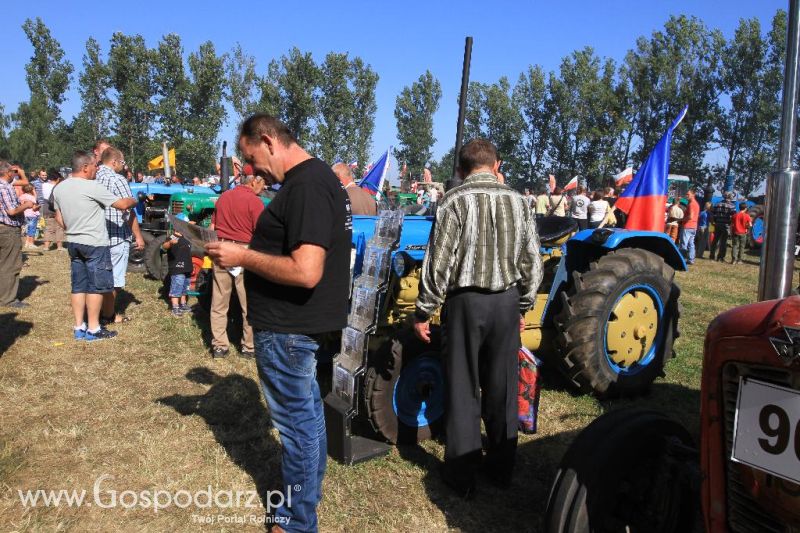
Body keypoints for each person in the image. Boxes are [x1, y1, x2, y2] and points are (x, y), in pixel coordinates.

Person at [205, 113, 352, 532]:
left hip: (287, 328)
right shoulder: (315, 180)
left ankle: (295, 521)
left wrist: (241, 255)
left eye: (252, 158)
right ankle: (304, 504)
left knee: (297, 427)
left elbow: (306, 271)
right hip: (295, 326)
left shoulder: (305, 185)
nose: (252, 170)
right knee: (306, 419)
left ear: (269, 140)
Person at [413, 139, 543, 498]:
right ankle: (501, 470)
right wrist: (522, 305)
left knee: (462, 387)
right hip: (506, 302)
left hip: (465, 303)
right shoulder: (520, 202)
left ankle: (461, 476)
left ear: (460, 168)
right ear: (496, 165)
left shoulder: (452, 202)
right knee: (502, 388)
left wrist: (423, 310)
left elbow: (438, 263)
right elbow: (533, 260)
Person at [53, 150, 137, 341]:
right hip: (95, 243)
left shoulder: (60, 188)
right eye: (93, 166)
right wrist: (135, 199)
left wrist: (74, 228)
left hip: (73, 242)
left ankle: (78, 326)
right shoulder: (92, 187)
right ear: (84, 167)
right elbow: (123, 205)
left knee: (78, 286)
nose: (96, 169)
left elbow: (58, 217)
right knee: (96, 287)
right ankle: (93, 328)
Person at [207, 174, 267, 358]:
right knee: (248, 301)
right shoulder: (255, 202)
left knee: (219, 300)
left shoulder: (224, 197)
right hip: (243, 251)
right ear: (253, 181)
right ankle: (248, 347)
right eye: (262, 183)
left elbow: (212, 226)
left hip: (222, 248)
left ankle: (219, 346)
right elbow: (261, 234)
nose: (263, 187)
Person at [95, 146, 145, 324]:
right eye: (122, 163)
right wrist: (138, 236)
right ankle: (107, 315)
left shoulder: (92, 177)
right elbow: (129, 210)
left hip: (96, 235)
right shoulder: (118, 180)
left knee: (98, 275)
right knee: (114, 278)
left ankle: (94, 312)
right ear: (114, 162)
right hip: (116, 235)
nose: (124, 167)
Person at [0, 160, 38, 308]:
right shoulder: (5, 187)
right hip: (8, 230)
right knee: (11, 265)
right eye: (12, 171)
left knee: (3, 263)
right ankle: (8, 299)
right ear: (8, 173)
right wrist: (27, 205)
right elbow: (12, 211)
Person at [161, 230, 193, 316]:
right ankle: (175, 307)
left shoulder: (187, 237)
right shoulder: (173, 236)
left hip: (187, 267)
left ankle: (183, 304)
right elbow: (164, 247)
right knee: (177, 286)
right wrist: (170, 243)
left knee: (184, 287)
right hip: (177, 267)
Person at [41, 169, 65, 252]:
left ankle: (46, 247)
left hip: (46, 208)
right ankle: (59, 247)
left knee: (48, 228)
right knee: (59, 227)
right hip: (56, 208)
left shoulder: (44, 185)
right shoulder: (58, 187)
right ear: (58, 178)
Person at [710, 192, 736, 262]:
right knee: (723, 242)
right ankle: (720, 257)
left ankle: (712, 256)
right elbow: (733, 216)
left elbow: (712, 214)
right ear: (730, 197)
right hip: (726, 225)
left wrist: (713, 222)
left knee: (715, 241)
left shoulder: (717, 204)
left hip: (717, 224)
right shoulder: (731, 206)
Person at [679, 190, 700, 265]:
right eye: (686, 194)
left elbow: (690, 216)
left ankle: (682, 259)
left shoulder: (691, 204)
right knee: (691, 244)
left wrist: (681, 220)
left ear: (693, 194)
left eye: (688, 194)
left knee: (683, 244)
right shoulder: (696, 204)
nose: (686, 196)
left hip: (687, 226)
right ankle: (691, 259)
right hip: (693, 226)